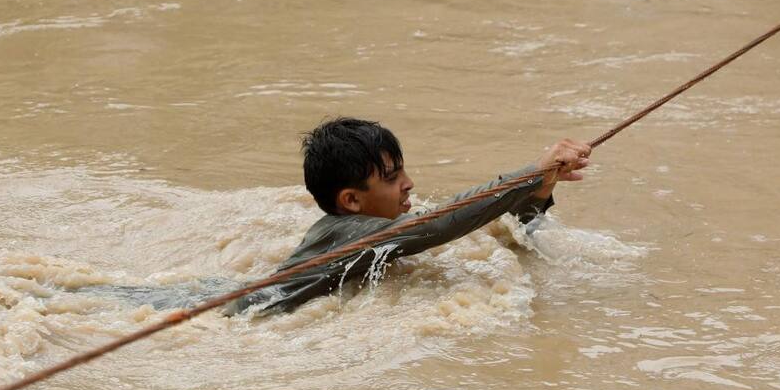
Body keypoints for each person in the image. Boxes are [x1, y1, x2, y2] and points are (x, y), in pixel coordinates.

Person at [224, 117, 592, 316]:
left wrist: (540, 188)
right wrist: (530, 173)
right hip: (247, 310)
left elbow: (506, 233)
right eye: (392, 178)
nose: (409, 184)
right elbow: (440, 223)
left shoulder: (365, 227)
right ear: (351, 200)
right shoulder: (353, 232)